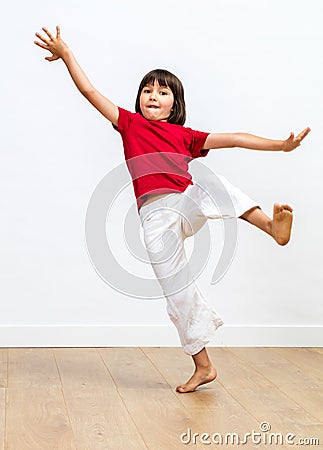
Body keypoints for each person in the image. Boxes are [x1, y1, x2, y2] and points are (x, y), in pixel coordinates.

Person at [34, 26, 311, 393]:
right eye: (147, 90)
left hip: (183, 205)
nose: (153, 95)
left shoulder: (187, 137)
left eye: (162, 91)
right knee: (178, 294)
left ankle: (270, 227)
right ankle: (204, 366)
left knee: (210, 181)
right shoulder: (129, 124)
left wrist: (280, 146)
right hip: (154, 222)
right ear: (138, 99)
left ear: (174, 103)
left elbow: (235, 138)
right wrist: (67, 54)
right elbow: (89, 91)